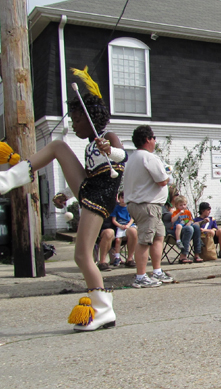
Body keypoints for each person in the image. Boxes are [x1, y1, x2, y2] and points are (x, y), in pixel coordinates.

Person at [0, 68, 126, 330]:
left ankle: (103, 309)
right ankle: (9, 178)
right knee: (58, 146)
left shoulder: (108, 139)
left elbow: (122, 157)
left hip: (100, 199)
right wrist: (66, 195)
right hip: (89, 190)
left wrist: (110, 150)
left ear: (90, 118)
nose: (74, 124)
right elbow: (90, 175)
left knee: (82, 256)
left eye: (77, 120)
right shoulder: (91, 145)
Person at [124, 125, 175, 289]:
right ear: (147, 139)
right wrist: (168, 175)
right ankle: (140, 276)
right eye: (153, 138)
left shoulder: (132, 158)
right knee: (145, 240)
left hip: (147, 205)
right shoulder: (148, 157)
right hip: (147, 206)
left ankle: (157, 271)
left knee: (158, 236)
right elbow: (161, 180)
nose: (154, 141)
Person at [110, 191, 137, 267]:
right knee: (118, 240)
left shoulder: (129, 207)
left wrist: (128, 225)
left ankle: (130, 258)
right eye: (122, 197)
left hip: (129, 225)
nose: (123, 199)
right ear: (119, 198)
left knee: (133, 232)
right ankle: (117, 257)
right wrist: (120, 226)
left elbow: (132, 218)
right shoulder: (116, 208)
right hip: (120, 226)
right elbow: (113, 220)